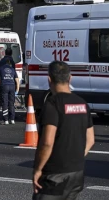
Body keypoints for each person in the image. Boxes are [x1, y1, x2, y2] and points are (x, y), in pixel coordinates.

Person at [32, 61, 95, 200]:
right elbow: (90, 140)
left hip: (54, 176)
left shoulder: (52, 104)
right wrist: (75, 158)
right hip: (76, 174)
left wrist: (38, 169)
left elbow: (47, 142)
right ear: (70, 78)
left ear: (49, 79)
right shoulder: (82, 104)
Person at [0, 59, 19, 125]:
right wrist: (17, 89)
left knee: (4, 103)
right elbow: (17, 80)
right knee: (11, 103)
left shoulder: (0, 69)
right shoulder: (13, 69)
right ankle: (12, 119)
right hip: (12, 86)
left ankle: (6, 120)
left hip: (4, 86)